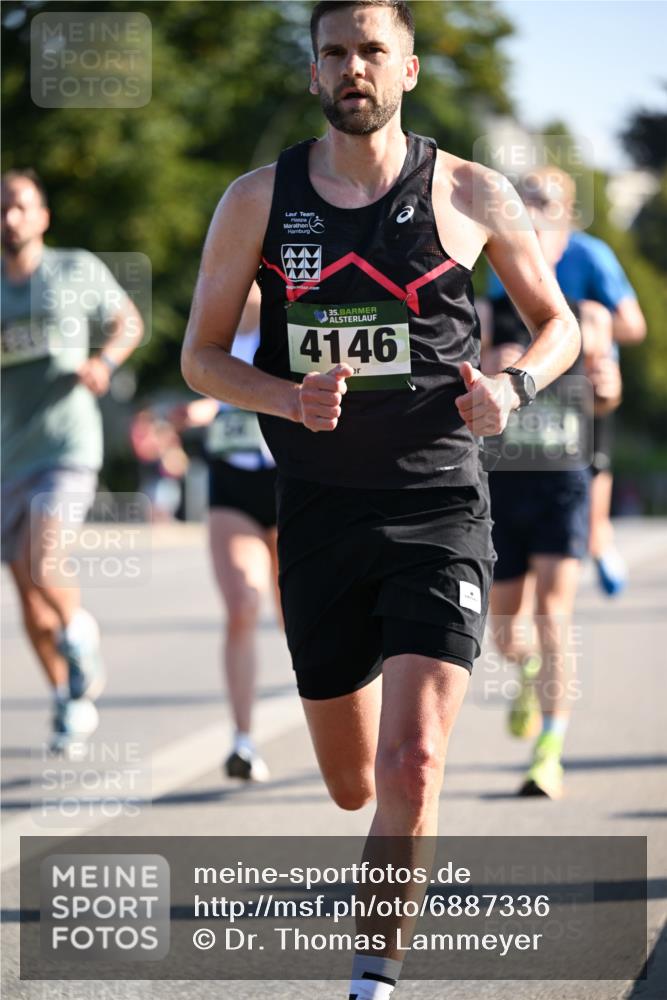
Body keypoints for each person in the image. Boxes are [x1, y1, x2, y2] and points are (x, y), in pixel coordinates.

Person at [181, 3, 580, 996]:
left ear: (406, 69)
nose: (352, 67)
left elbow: (556, 323)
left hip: (439, 503)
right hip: (317, 514)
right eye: (333, 53)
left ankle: (374, 975)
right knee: (353, 781)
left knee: (411, 765)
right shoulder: (254, 201)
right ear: (314, 75)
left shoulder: (474, 193)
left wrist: (514, 386)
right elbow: (197, 356)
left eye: (371, 51)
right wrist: (284, 395)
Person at [479, 183, 622, 799]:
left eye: (547, 227)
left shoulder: (586, 314)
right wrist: (498, 366)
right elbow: (469, 381)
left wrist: (597, 369)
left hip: (564, 478)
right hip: (503, 480)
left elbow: (609, 397)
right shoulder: (490, 304)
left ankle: (549, 749)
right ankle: (528, 670)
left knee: (554, 615)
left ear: (563, 235)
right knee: (508, 633)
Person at [1, 169, 143, 751]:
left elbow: (127, 321)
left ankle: (80, 634)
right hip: (7, 455)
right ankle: (68, 696)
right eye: (2, 208)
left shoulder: (74, 269)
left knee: (44, 556)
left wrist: (104, 364)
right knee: (29, 600)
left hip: (66, 447)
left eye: (20, 207)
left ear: (42, 216)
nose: (10, 217)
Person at [487, 165, 646, 596]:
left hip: (583, 384)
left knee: (586, 478)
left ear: (569, 211)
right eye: (527, 200)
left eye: (546, 202)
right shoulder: (503, 251)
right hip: (529, 386)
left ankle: (598, 541)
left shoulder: (589, 254)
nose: (535, 211)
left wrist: (584, 335)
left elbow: (634, 326)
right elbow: (492, 317)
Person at [173, 283, 278, 781]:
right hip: (233, 488)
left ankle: (342, 717)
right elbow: (204, 389)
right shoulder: (211, 333)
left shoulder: (292, 324)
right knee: (241, 604)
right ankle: (243, 740)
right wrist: (196, 410)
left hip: (293, 486)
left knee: (300, 616)